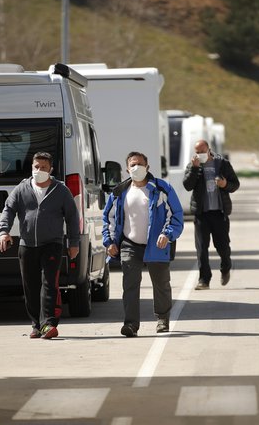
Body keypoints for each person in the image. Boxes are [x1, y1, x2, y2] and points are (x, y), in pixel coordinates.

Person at [0, 152, 79, 339]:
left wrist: (73, 242)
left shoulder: (61, 190)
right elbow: (8, 209)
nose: (39, 170)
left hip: (52, 244)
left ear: (50, 169)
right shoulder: (21, 189)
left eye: (43, 167)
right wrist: (4, 231)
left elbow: (72, 217)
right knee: (30, 287)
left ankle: (48, 323)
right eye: (36, 167)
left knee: (49, 284)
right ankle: (36, 325)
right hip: (27, 245)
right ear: (32, 167)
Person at [102, 151, 184, 337]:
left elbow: (176, 215)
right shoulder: (119, 192)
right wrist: (109, 241)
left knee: (161, 284)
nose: (136, 167)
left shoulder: (162, 189)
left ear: (147, 167)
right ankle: (131, 324)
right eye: (132, 164)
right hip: (129, 244)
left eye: (140, 164)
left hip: (157, 245)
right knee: (130, 284)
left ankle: (162, 319)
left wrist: (167, 235)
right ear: (127, 169)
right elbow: (109, 218)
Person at [183, 140, 240, 290]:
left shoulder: (222, 164)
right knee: (202, 248)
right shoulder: (193, 165)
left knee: (223, 247)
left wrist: (225, 185)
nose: (200, 154)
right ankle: (204, 280)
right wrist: (195, 169)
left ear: (209, 149)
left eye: (203, 151)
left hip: (219, 213)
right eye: (197, 151)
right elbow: (187, 186)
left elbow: (235, 184)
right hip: (201, 214)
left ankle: (226, 267)